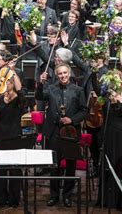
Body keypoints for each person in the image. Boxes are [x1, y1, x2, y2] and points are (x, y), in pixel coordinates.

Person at [36, 63, 87, 208]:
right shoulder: (51, 88)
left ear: (69, 73)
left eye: (65, 73)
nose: (63, 76)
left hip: (71, 132)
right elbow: (39, 96)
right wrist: (41, 83)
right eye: (60, 74)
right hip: (54, 132)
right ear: (57, 75)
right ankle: (54, 196)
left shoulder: (78, 90)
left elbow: (84, 110)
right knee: (54, 166)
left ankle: (67, 195)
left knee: (71, 166)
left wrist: (72, 119)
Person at [95, 69, 122, 209]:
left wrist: (117, 102)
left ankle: (120, 200)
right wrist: (94, 72)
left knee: (121, 165)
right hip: (108, 133)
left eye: (117, 79)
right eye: (112, 79)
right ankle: (106, 199)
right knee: (107, 166)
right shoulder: (105, 97)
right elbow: (96, 87)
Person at [0, 74, 24, 208]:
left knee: (15, 169)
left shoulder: (19, 100)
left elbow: (20, 90)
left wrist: (12, 72)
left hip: (15, 136)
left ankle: (14, 199)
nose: (6, 84)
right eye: (5, 82)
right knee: (0, 169)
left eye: (8, 82)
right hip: (0, 137)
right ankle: (0, 198)